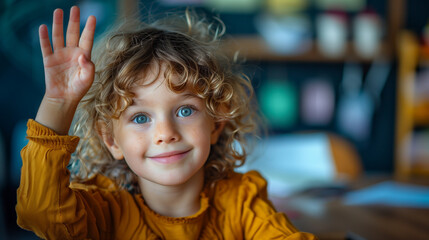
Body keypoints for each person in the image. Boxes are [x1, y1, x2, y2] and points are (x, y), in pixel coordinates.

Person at [16, 6, 317, 239]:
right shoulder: (105, 210)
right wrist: (59, 103)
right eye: (141, 117)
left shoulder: (241, 202)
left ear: (217, 123)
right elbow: (41, 212)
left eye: (185, 111)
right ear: (112, 141)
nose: (166, 134)